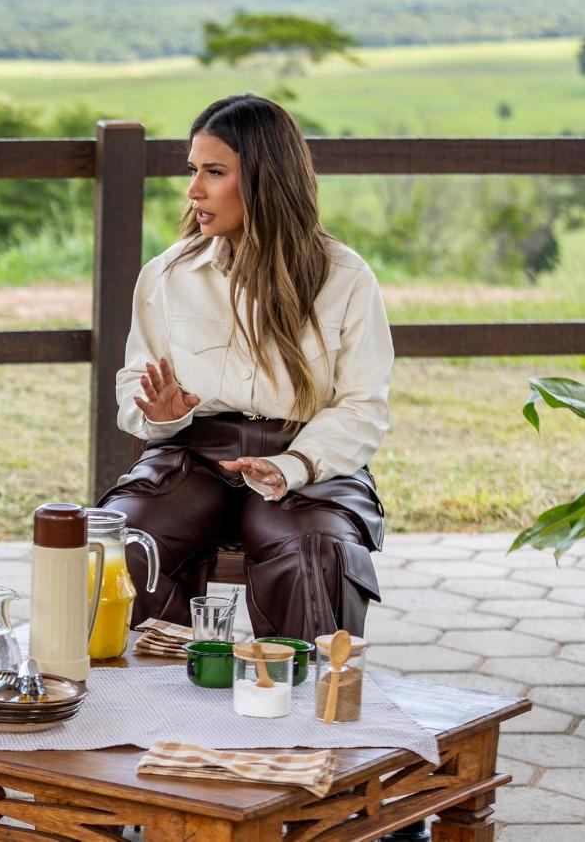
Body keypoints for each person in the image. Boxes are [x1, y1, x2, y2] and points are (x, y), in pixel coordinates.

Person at [100, 93, 392, 641]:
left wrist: (293, 465)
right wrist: (160, 415)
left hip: (308, 459)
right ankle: (149, 687)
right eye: (192, 170)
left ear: (265, 178)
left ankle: (304, 690)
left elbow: (362, 407)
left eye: (214, 172)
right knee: (123, 544)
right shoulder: (167, 275)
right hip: (191, 458)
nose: (194, 190)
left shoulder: (346, 278)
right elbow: (134, 387)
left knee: (313, 551)